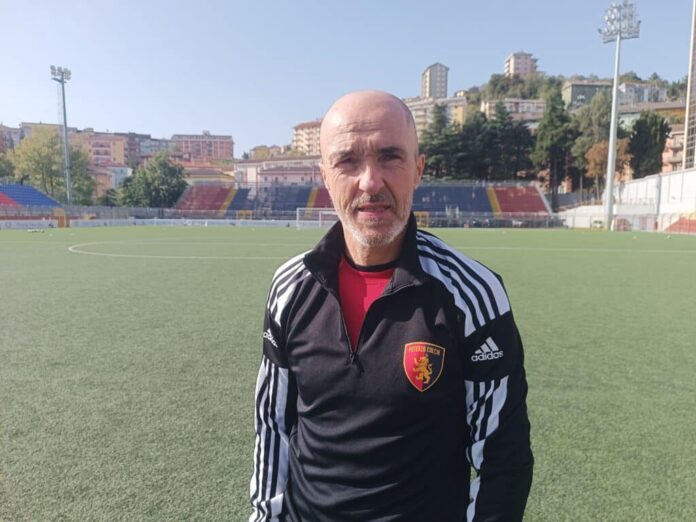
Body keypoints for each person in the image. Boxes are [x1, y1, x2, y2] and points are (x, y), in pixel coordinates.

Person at [249, 90, 533, 521]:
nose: (370, 182)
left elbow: (503, 457)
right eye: (347, 161)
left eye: (390, 157)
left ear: (417, 169)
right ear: (324, 175)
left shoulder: (474, 294)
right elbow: (273, 425)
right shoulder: (290, 287)